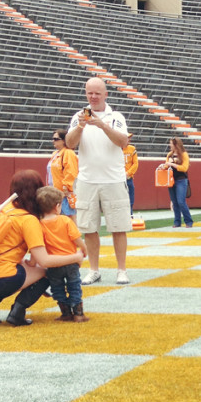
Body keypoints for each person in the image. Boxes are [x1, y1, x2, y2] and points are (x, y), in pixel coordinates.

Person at [0, 170, 84, 327]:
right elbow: (45, 260)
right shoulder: (28, 220)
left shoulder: (3, 208)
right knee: (47, 272)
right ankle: (17, 312)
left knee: (13, 269)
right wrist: (76, 257)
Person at [65, 77, 131, 285]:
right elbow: (69, 144)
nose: (93, 97)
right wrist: (80, 127)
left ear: (105, 95)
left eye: (97, 93)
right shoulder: (78, 116)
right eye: (89, 93)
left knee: (118, 227)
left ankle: (121, 270)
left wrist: (102, 125)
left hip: (113, 179)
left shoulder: (116, 116)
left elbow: (123, 141)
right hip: (87, 180)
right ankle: (94, 269)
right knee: (89, 228)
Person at [36, 186, 88, 321]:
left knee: (57, 288)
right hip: (71, 262)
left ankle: (65, 313)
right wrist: (84, 249)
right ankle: (78, 313)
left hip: (54, 264)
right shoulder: (65, 221)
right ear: (57, 206)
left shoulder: (40, 225)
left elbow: (38, 246)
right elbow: (76, 238)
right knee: (74, 286)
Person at [47, 129, 78, 217]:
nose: (53, 141)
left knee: (68, 220)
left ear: (64, 140)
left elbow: (71, 174)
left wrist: (65, 191)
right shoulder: (55, 154)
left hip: (64, 196)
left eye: (56, 139)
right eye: (53, 139)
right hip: (55, 194)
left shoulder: (68, 153)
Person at [163, 137, 193, 229]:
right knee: (175, 202)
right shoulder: (169, 154)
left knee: (181, 201)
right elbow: (166, 166)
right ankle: (177, 222)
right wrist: (163, 166)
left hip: (181, 179)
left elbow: (184, 168)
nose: (170, 145)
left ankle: (188, 221)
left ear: (176, 145)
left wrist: (172, 164)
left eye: (171, 143)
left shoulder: (184, 155)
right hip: (171, 180)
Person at [123, 137, 139, 215]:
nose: (128, 140)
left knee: (130, 199)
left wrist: (128, 173)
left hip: (129, 178)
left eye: (129, 138)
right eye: (127, 138)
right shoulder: (116, 149)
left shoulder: (132, 149)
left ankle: (130, 214)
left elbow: (135, 163)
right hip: (119, 178)